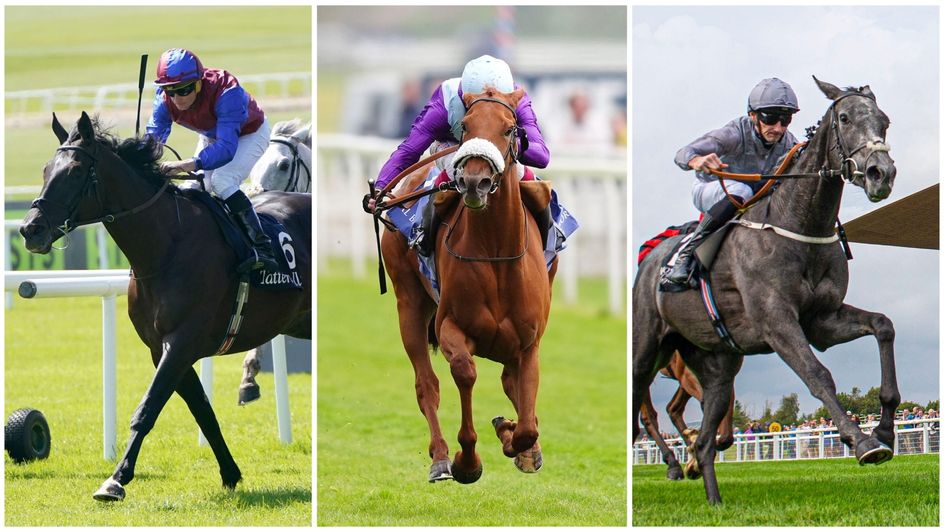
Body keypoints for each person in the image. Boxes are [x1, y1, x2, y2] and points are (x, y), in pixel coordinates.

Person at [364, 54, 552, 257]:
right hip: (453, 147)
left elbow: (542, 156)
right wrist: (381, 187)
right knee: (457, 171)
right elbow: (410, 150)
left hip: (500, 148)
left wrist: (512, 142)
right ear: (464, 99)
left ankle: (552, 236)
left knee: (522, 174)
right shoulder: (444, 103)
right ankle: (424, 235)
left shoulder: (516, 99)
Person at [146, 48, 279, 272]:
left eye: (184, 90)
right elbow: (152, 140)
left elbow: (227, 148)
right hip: (212, 134)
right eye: (170, 91)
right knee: (194, 188)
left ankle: (263, 247)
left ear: (198, 83)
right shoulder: (164, 100)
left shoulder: (228, 92)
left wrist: (188, 164)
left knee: (222, 181)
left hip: (250, 134)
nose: (177, 98)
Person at [667, 78, 801, 285]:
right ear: (753, 115)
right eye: (771, 118)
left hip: (753, 199)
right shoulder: (733, 134)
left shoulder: (790, 143)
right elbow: (682, 153)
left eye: (785, 120)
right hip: (711, 190)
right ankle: (687, 252)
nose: (778, 128)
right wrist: (697, 160)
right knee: (743, 189)